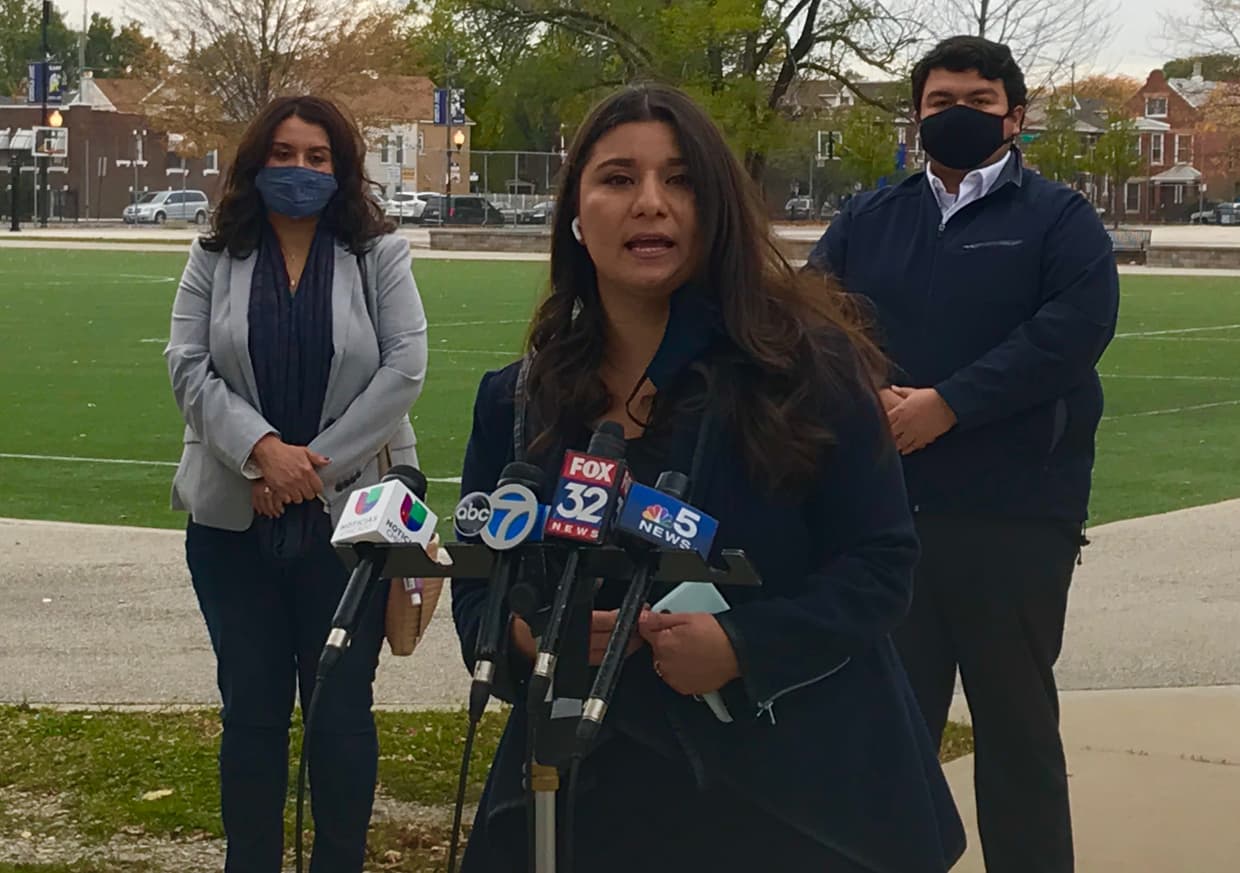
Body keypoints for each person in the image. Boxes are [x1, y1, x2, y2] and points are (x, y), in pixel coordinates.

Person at [452, 83, 964, 872]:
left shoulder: (807, 371)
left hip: (793, 798)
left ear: (717, 208)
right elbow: (481, 579)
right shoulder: (516, 403)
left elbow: (881, 565)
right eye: (618, 178)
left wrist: (742, 644)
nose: (651, 203)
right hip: (587, 801)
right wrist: (521, 636)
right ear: (577, 214)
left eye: (681, 179)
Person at [810, 36, 1121, 873]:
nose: (957, 116)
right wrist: (867, 397)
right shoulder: (869, 218)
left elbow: (1071, 334)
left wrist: (948, 406)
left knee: (1016, 732)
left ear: (1015, 117)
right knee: (892, 734)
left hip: (1015, 518)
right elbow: (812, 321)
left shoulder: (1060, 219)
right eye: (941, 101)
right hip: (888, 517)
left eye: (978, 102)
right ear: (916, 115)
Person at [164, 95, 427, 872]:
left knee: (341, 713)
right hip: (232, 521)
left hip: (348, 527)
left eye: (318, 157)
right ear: (256, 162)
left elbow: (403, 368)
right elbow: (187, 365)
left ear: (342, 168)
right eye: (283, 153)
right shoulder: (216, 252)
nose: (300, 170)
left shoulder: (379, 252)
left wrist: (310, 469)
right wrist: (261, 451)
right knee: (251, 713)